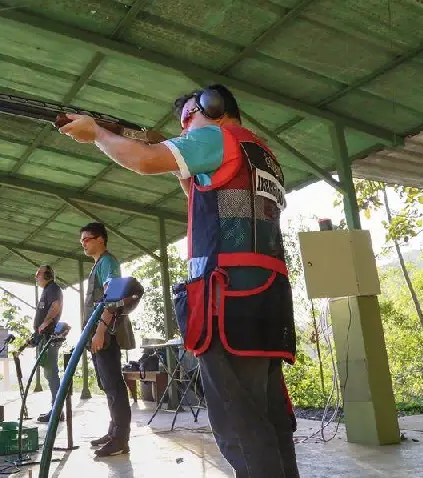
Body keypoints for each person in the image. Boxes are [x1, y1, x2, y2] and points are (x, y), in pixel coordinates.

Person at [59, 85, 299, 477]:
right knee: (269, 416)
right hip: (265, 299)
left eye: (189, 117)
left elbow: (142, 160)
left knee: (239, 421)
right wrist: (176, 161)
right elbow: (206, 193)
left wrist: (99, 134)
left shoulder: (217, 136)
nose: (185, 128)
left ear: (215, 107)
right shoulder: (261, 152)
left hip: (229, 301)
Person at [79, 222, 136, 458]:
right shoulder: (98, 265)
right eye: (81, 241)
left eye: (87, 239)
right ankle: (114, 431)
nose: (83, 243)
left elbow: (112, 299)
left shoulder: (108, 262)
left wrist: (101, 330)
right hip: (97, 333)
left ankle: (120, 439)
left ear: (101, 239)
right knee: (108, 385)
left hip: (106, 333)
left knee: (114, 385)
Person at [33, 265, 65, 423]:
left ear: (46, 274)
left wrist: (45, 323)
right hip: (44, 335)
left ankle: (57, 410)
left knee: (52, 374)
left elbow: (55, 306)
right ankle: (56, 408)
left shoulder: (53, 288)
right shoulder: (46, 290)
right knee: (49, 373)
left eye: (38, 273)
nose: (36, 276)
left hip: (50, 335)